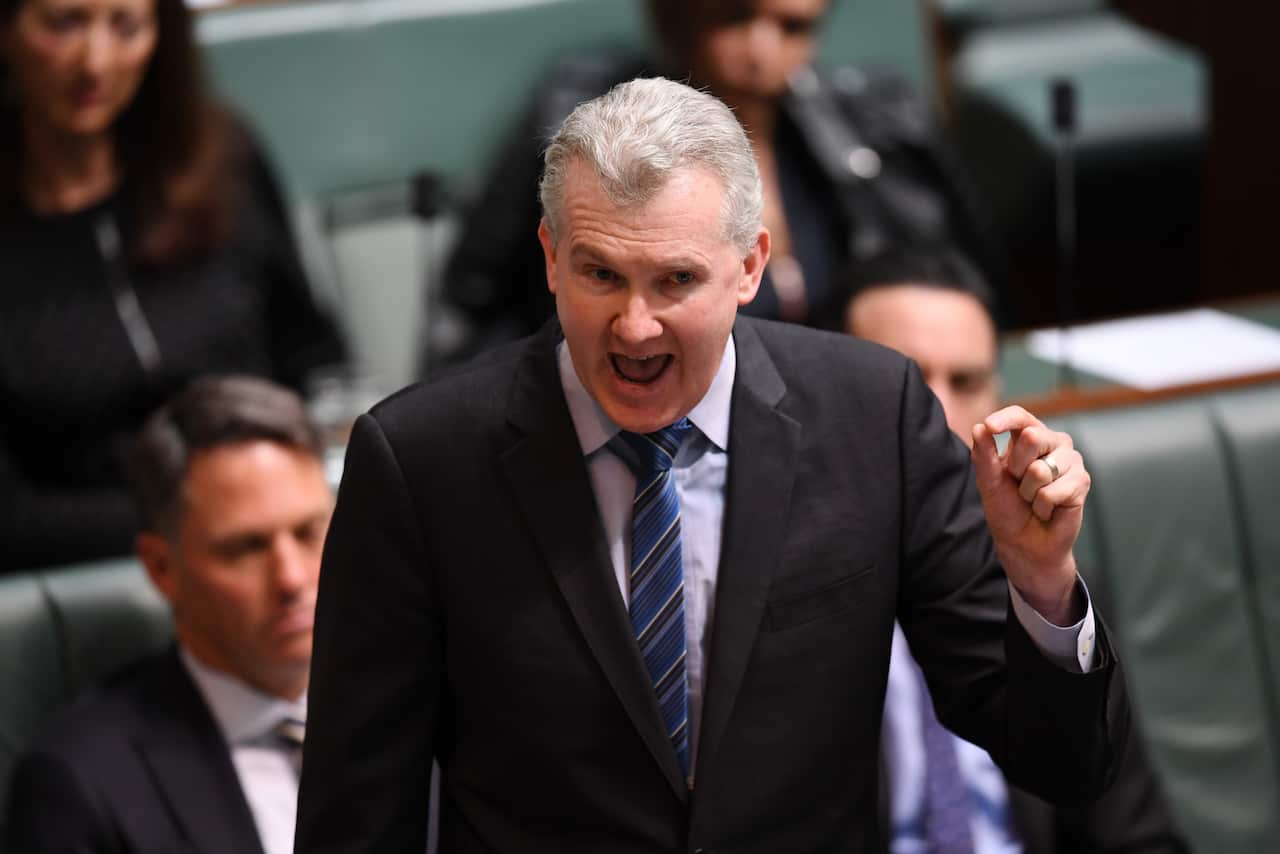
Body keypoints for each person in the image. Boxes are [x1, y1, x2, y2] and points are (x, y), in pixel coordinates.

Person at [296, 78, 1130, 853]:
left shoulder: (872, 416)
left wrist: (1042, 584)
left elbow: (1060, 764)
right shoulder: (420, 463)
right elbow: (358, 816)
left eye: (675, 280)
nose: (634, 326)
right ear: (550, 257)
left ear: (750, 266)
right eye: (600, 274)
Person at [430, 0, 1003, 367]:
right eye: (736, 17)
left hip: (835, 427)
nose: (761, 51)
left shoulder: (868, 130)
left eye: (793, 27)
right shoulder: (585, 126)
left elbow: (956, 292)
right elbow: (475, 311)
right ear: (675, 18)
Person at [844, 246, 1187, 853]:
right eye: (906, 379)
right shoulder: (790, 588)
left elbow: (1135, 835)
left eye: (967, 382)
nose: (938, 415)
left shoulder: (1044, 589)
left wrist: (1043, 578)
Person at [0, 0, 346, 573]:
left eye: (127, 25)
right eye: (65, 23)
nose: (97, 62)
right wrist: (207, 520)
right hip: (81, 578)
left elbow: (309, 354)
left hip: (274, 548)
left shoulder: (220, 155)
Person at [3, 376, 333, 854]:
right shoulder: (78, 784)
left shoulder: (431, 699)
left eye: (309, 533)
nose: (293, 579)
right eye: (246, 548)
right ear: (161, 567)